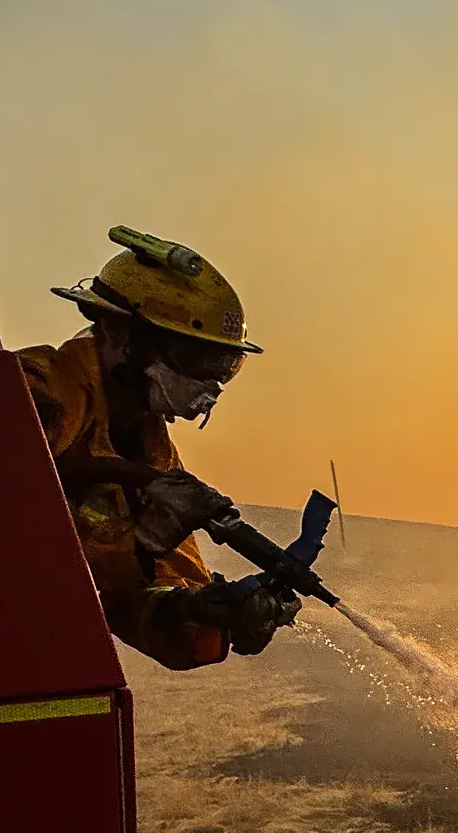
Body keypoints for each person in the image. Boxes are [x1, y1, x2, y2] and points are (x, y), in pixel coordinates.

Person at [17, 227, 300, 669]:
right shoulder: (33, 387)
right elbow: (3, 486)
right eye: (195, 358)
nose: (211, 383)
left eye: (224, 366)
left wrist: (207, 612)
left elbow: (134, 599)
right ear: (116, 331)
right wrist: (136, 478)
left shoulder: (157, 455)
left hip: (33, 654)